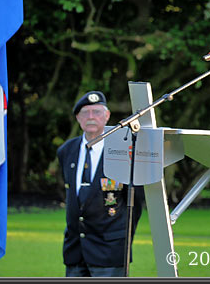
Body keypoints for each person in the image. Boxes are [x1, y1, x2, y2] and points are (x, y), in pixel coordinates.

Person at [57, 90, 145, 277]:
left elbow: (135, 203)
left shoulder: (124, 151)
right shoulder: (66, 151)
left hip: (110, 252)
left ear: (107, 116)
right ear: (77, 118)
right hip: (75, 251)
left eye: (96, 112)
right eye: (85, 112)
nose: (90, 117)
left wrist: (123, 240)